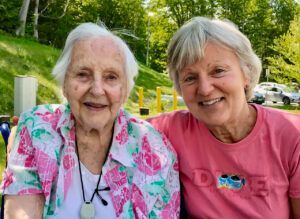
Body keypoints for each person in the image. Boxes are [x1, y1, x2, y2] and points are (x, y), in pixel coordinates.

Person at [0, 23, 180, 218]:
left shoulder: (155, 150)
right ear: (64, 83)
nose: (96, 90)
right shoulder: (36, 130)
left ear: (126, 90)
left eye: (111, 77)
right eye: (82, 74)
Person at [148, 17, 300, 218]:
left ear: (246, 74)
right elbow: (111, 128)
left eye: (218, 71)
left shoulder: (292, 136)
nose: (204, 88)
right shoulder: (171, 130)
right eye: (190, 78)